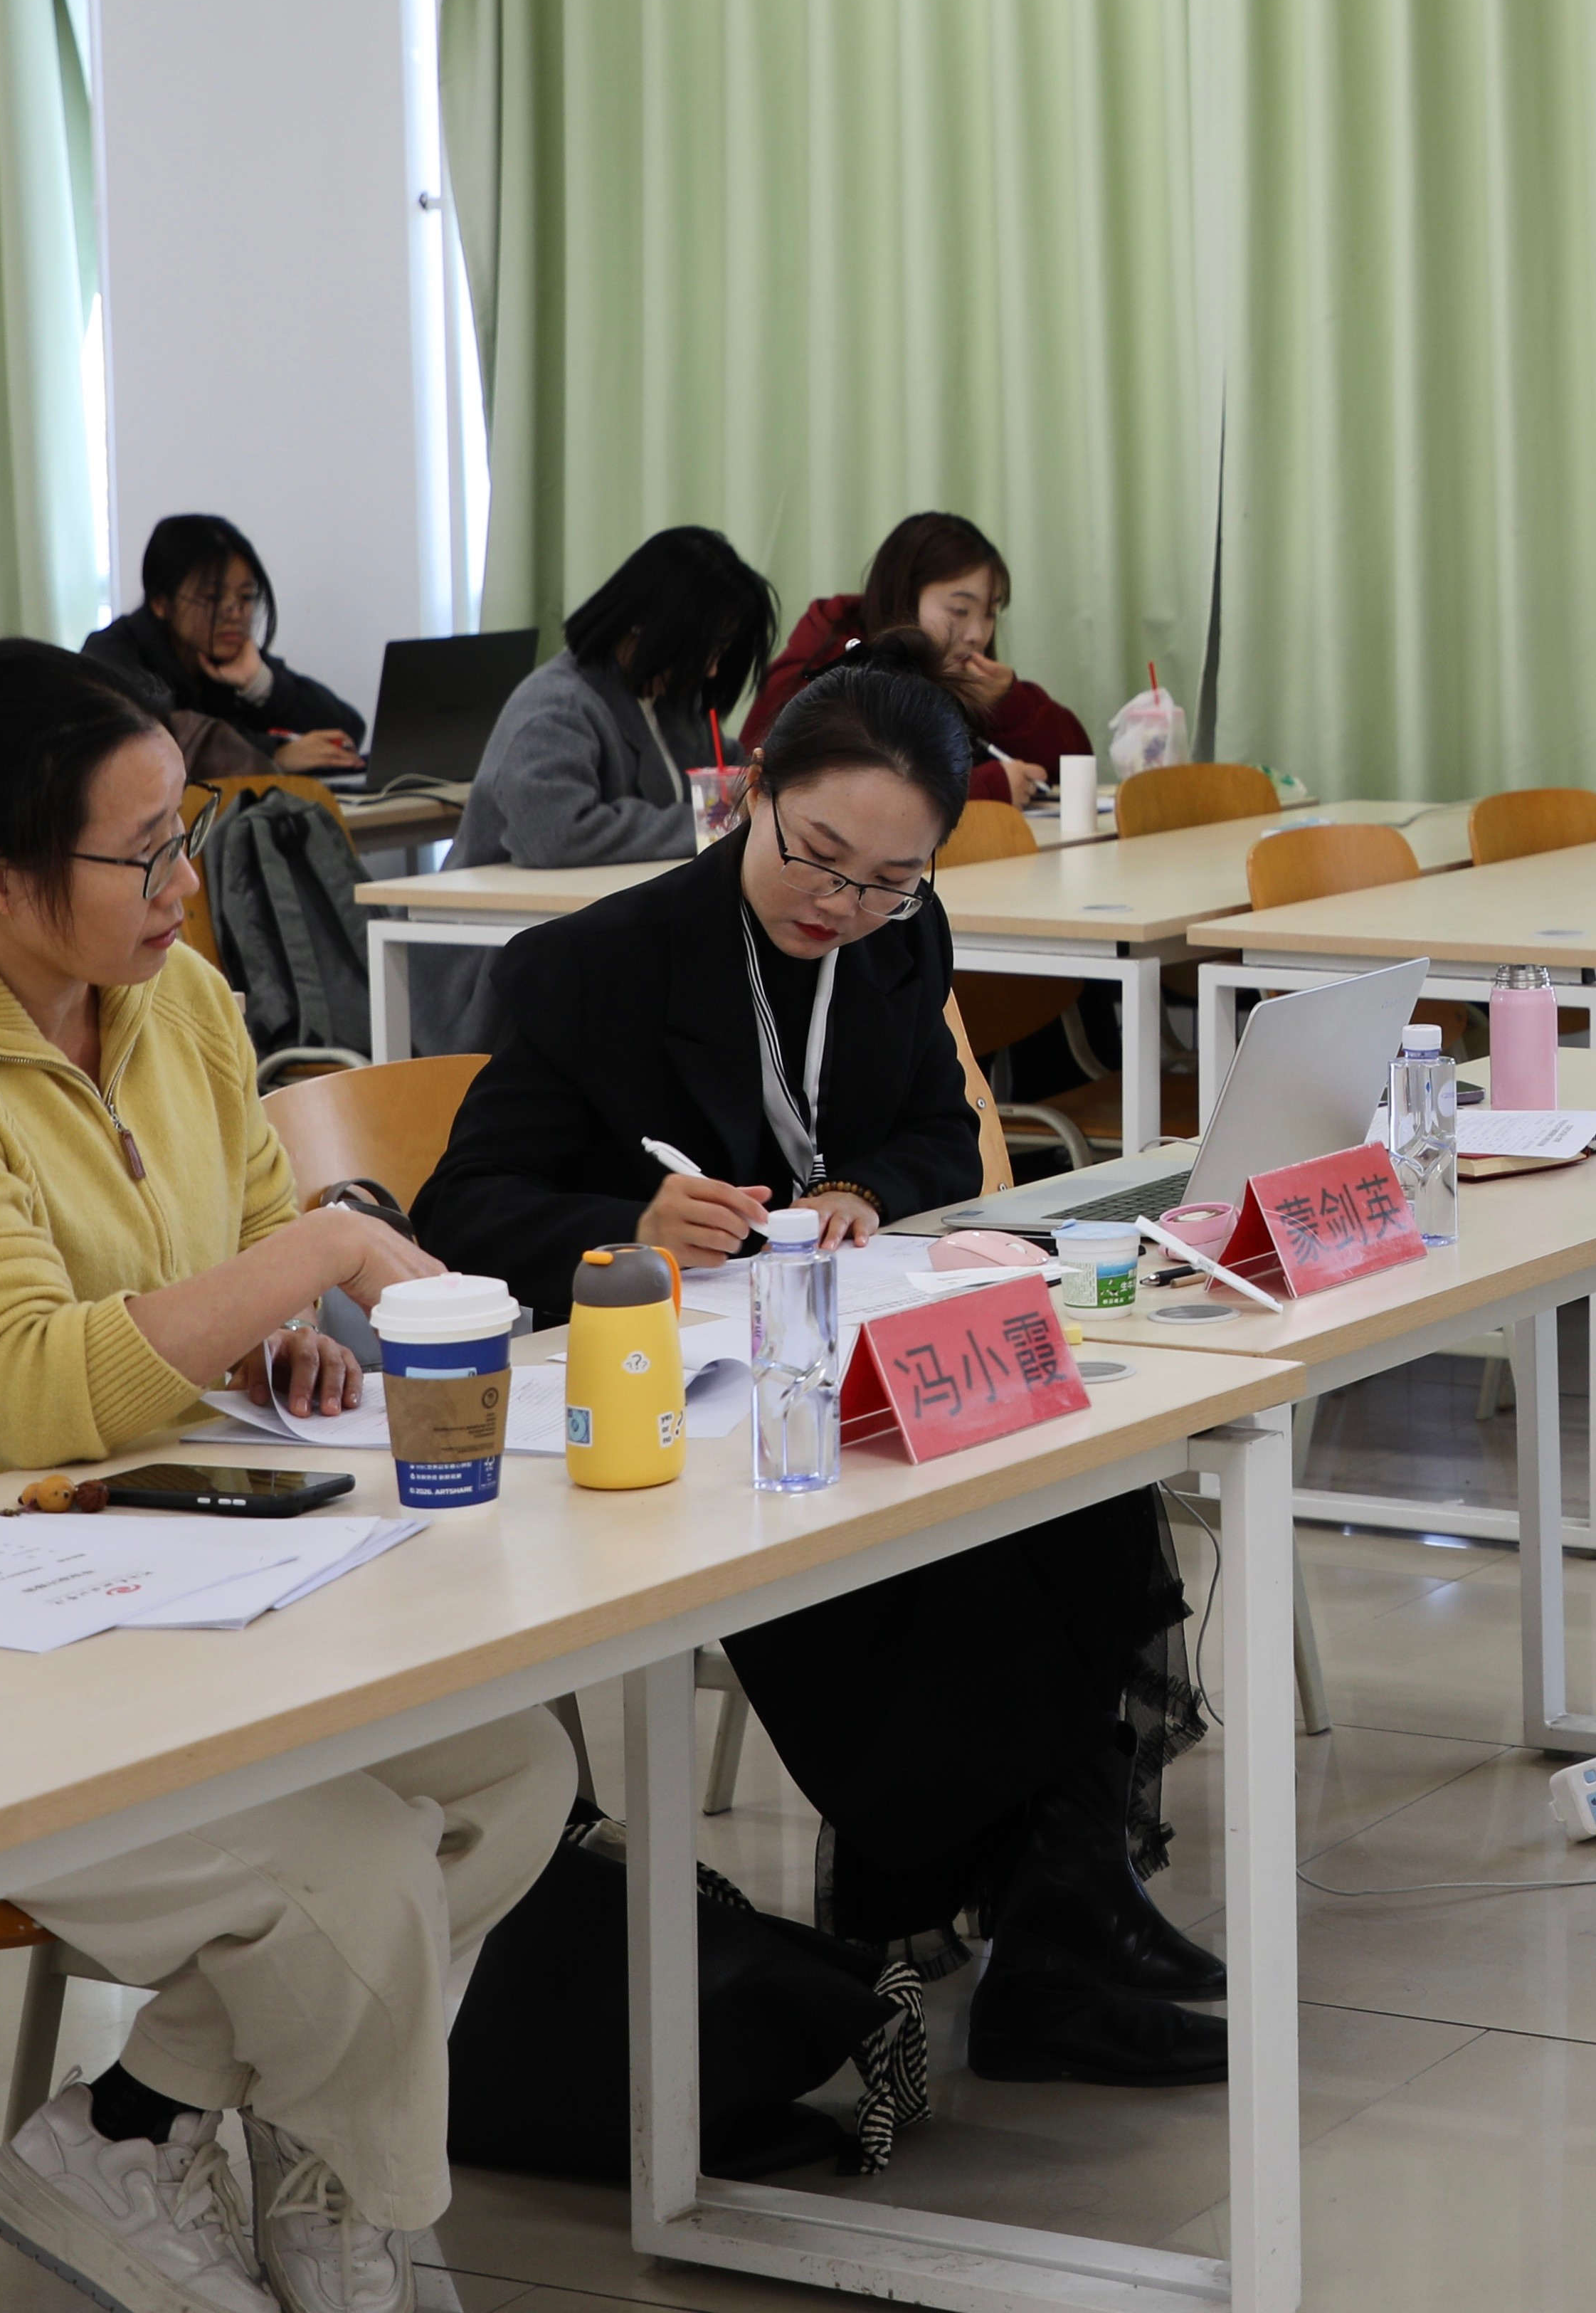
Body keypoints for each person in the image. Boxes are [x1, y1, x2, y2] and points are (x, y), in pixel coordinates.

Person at [0, 640, 569, 2313]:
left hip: (166, 1572)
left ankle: (134, 2129)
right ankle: (349, 2201)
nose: (183, 887)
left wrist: (280, 1329)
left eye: (181, 836)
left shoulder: (176, 1001)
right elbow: (24, 1387)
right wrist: (325, 1253)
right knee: (349, 1868)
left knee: (514, 1769)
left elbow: (246, 1234)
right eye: (141, 855)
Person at [412, 665, 1223, 2085]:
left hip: (850, 1351)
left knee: (1077, 1485)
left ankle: (1063, 1904)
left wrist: (860, 1189)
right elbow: (463, 1209)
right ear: (754, 795)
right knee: (952, 1553)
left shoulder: (902, 942)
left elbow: (938, 1133)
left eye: (889, 882)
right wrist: (628, 1223)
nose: (840, 906)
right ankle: (1047, 1925)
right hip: (683, 1413)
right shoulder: (599, 966)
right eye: (818, 859)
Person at [412, 527, 779, 1053]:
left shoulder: (675, 705)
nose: (716, 667)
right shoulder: (555, 705)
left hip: (606, 948)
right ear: (653, 625)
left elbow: (737, 782)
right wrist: (714, 822)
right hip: (504, 970)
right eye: (708, 647)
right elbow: (554, 835)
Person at [751, 512, 1087, 808]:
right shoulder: (832, 658)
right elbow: (807, 793)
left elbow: (1078, 768)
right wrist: (986, 789)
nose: (977, 634)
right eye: (960, 610)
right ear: (904, 600)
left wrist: (1011, 702)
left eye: (990, 613)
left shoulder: (963, 672)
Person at [87, 515, 368, 776]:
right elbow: (148, 743)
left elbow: (348, 733)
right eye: (212, 598)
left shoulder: (230, 659)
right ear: (161, 603)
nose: (234, 613)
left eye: (246, 597)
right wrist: (273, 755)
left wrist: (261, 685)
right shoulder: (112, 656)